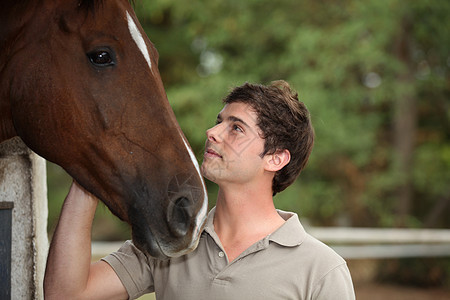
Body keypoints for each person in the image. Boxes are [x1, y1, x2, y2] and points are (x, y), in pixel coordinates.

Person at [44, 81, 355, 299]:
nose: (212, 132)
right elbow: (66, 294)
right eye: (219, 122)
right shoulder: (173, 242)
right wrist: (87, 172)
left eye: (236, 128)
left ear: (275, 158)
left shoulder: (321, 270)